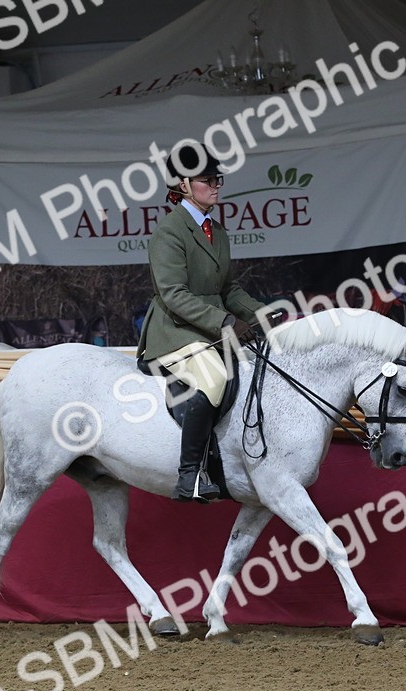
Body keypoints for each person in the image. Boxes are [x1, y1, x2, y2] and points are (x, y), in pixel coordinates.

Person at [136, 144, 265, 503]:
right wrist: (225, 321)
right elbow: (174, 294)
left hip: (210, 327)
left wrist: (262, 314)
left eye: (217, 178)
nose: (216, 185)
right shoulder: (169, 232)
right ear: (182, 185)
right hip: (176, 330)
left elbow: (228, 289)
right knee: (214, 378)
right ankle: (190, 474)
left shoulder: (217, 231)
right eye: (207, 180)